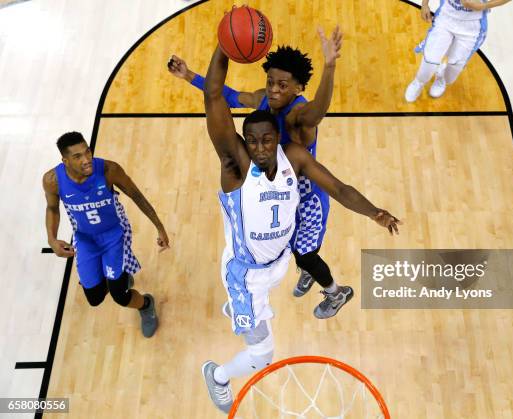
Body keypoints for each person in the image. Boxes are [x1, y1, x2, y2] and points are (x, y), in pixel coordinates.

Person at [200, 44, 401, 413]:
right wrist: (223, 45)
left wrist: (375, 213)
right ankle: (217, 376)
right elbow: (215, 95)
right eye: (253, 141)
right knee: (262, 355)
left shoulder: (294, 156)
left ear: (279, 137)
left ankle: (306, 280)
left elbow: (338, 189)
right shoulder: (235, 167)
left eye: (267, 139)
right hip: (248, 276)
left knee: (303, 255)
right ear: (242, 143)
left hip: (276, 260)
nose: (260, 147)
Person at [168, 27, 351, 319]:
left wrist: (329, 67)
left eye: (283, 86)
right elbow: (226, 96)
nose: (274, 90)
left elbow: (318, 111)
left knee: (304, 252)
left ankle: (335, 291)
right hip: (278, 187)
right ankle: (307, 271)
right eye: (271, 83)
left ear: (298, 89)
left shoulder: (299, 116)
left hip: (305, 193)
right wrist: (189, 76)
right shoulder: (262, 98)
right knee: (284, 244)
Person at [42, 132, 169, 338]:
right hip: (84, 238)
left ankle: (145, 304)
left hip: (114, 235)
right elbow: (52, 208)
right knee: (95, 297)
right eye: (78, 157)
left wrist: (159, 226)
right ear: (65, 161)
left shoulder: (109, 170)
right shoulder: (52, 181)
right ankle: (118, 277)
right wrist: (52, 239)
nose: (86, 160)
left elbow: (136, 195)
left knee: (120, 295)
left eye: (88, 152)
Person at [404, 0, 512, 102]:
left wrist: (483, 6)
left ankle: (441, 78)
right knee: (430, 59)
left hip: (472, 27)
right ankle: (418, 82)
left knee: (453, 70)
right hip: (445, 18)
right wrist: (425, 4)